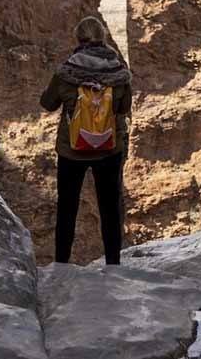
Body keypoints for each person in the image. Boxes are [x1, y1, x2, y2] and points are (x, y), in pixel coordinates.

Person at [40, 16, 132, 264]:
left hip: (72, 149)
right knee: (110, 208)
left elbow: (48, 104)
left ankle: (61, 263)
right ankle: (113, 264)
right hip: (109, 149)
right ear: (103, 38)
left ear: (78, 39)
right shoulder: (120, 73)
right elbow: (123, 109)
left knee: (67, 208)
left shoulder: (66, 72)